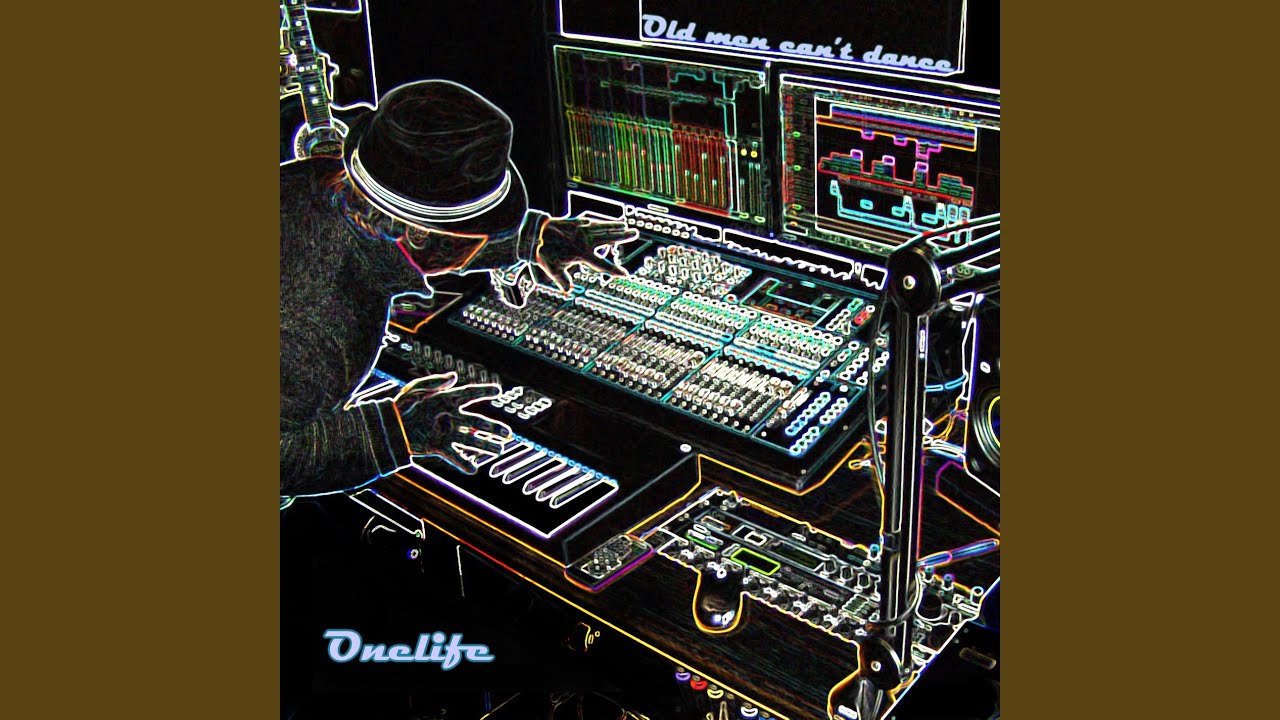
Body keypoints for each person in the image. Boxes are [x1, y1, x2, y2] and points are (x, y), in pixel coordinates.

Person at [280, 80, 638, 500]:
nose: (486, 243)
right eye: (481, 233)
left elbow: (427, 237)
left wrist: (534, 238)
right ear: (419, 235)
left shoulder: (316, 182)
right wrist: (395, 431)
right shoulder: (325, 320)